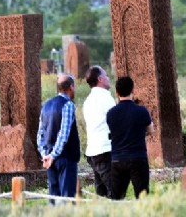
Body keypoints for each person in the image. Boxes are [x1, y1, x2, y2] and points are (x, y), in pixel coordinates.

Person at [106, 76, 155, 199]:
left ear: (116, 92)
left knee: (117, 198)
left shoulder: (110, 113)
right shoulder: (142, 111)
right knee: (142, 196)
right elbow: (151, 130)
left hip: (117, 159)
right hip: (138, 157)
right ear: (133, 90)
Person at [36, 73, 81, 200]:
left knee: (54, 198)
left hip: (49, 159)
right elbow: (63, 134)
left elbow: (40, 134)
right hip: (65, 158)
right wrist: (53, 155)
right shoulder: (68, 105)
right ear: (71, 87)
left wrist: (45, 154)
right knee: (67, 199)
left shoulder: (46, 105)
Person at [82, 66, 116, 198]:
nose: (108, 78)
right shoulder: (105, 98)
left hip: (92, 150)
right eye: (106, 76)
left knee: (101, 193)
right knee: (115, 190)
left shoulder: (88, 100)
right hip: (104, 149)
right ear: (100, 79)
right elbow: (115, 121)